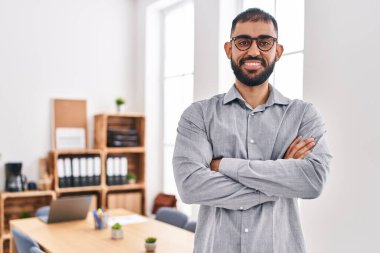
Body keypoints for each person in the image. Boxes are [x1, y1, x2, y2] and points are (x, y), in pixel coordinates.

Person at [173, 8, 332, 253]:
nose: (254, 51)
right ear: (229, 49)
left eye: (265, 42)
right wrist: (280, 177)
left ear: (278, 51)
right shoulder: (199, 115)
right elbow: (191, 186)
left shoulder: (303, 116)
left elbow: (312, 181)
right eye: (243, 42)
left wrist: (224, 165)